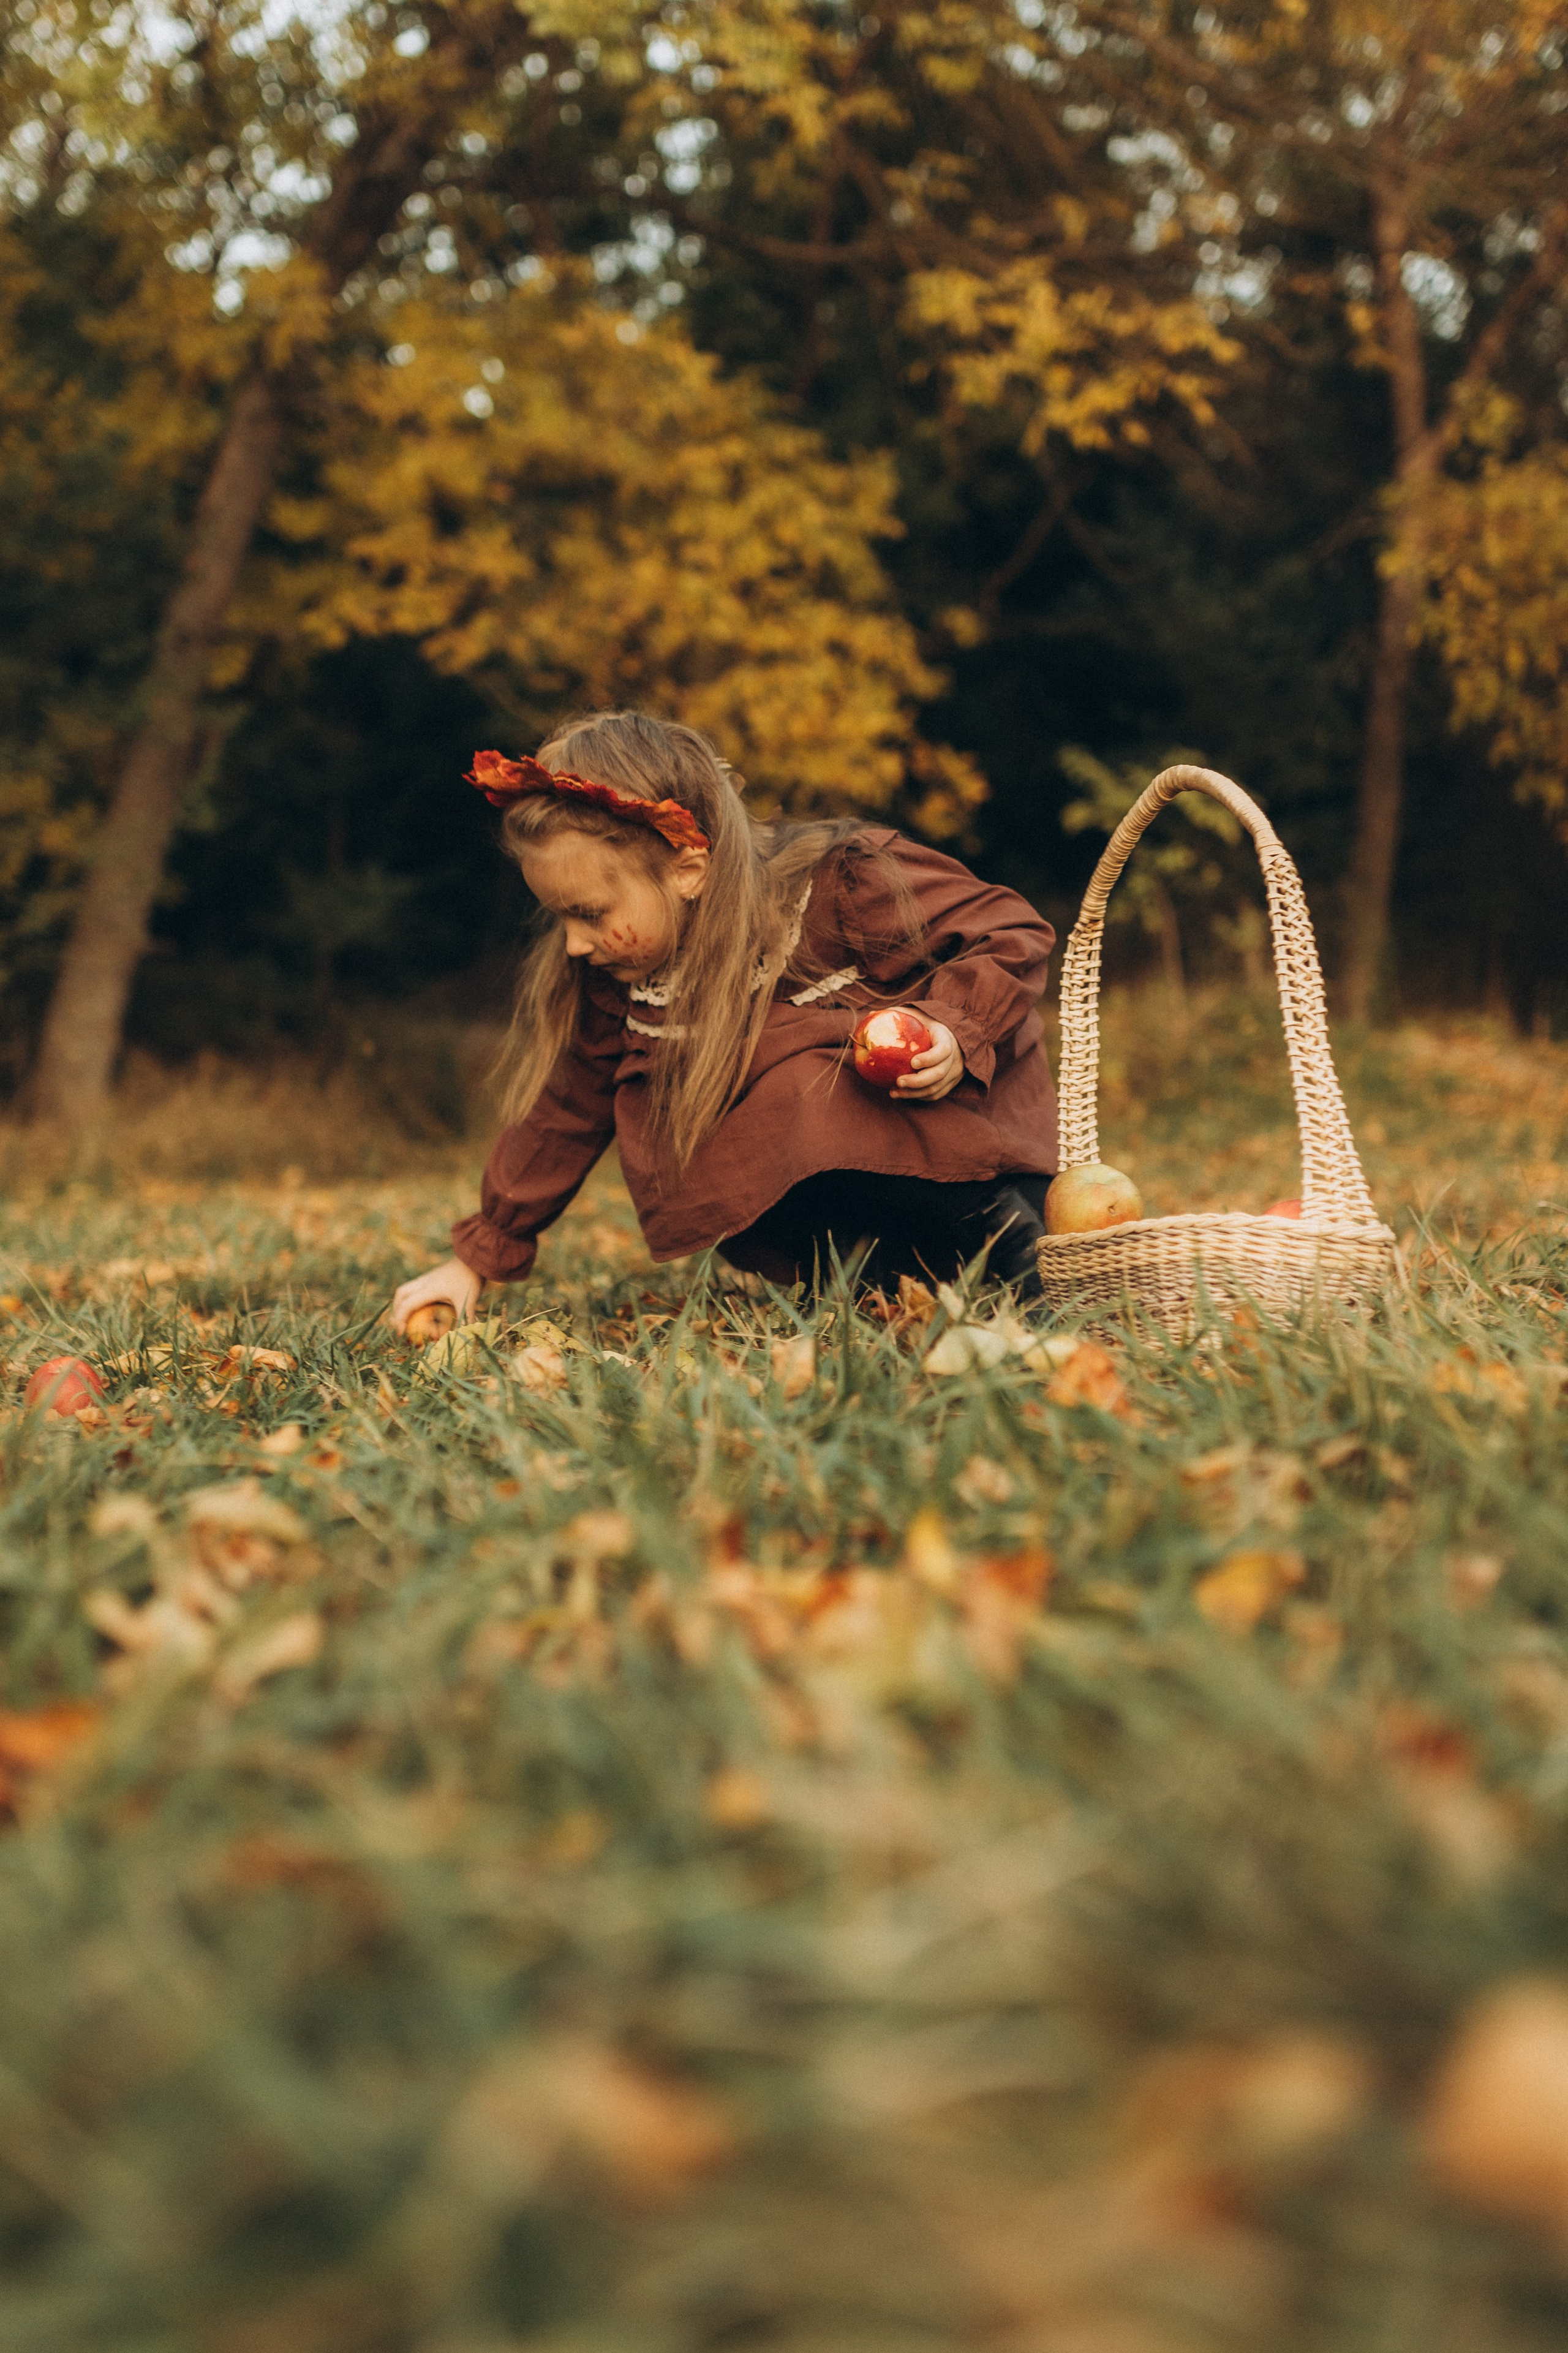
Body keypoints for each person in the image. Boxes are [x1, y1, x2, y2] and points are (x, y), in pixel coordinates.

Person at [391, 711, 1058, 1330]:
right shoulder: (622, 982)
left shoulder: (841, 887)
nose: (572, 943)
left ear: (686, 870)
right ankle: (868, 1276)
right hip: (853, 1200)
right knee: (724, 1127)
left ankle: (1008, 1249)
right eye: (558, 917)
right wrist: (479, 1256)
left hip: (971, 1159)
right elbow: (565, 1110)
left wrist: (950, 1028)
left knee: (806, 1078)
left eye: (589, 914)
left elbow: (1006, 930)